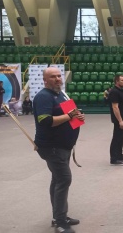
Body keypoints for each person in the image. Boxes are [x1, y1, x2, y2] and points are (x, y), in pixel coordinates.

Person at [33, 67, 85, 233]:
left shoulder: (62, 94)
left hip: (64, 145)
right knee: (64, 179)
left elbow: (73, 113)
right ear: (45, 80)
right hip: (52, 146)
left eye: (58, 76)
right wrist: (71, 116)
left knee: (57, 180)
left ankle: (59, 216)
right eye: (52, 77)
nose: (57, 79)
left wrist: (78, 117)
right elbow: (46, 121)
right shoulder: (43, 97)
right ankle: (60, 222)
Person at [108, 74, 123, 166]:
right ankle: (113, 158)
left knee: (122, 137)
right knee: (116, 138)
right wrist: (120, 121)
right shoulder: (114, 92)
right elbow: (115, 107)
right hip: (119, 120)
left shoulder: (121, 91)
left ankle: (120, 155)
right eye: (122, 80)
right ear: (117, 81)